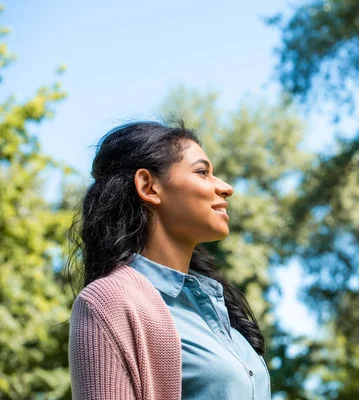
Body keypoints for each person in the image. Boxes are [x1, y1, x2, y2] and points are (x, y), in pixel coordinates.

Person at [68, 121, 271, 399]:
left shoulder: (216, 304)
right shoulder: (109, 302)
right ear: (148, 186)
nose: (226, 188)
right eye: (203, 172)